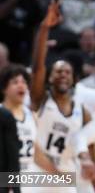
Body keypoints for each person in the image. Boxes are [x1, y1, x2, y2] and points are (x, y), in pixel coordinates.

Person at [29, 1, 95, 192]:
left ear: (74, 79)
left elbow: (86, 144)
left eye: (67, 72)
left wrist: (87, 161)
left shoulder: (82, 112)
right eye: (58, 72)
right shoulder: (40, 99)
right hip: (38, 175)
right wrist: (44, 28)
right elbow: (37, 66)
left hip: (66, 177)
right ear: (49, 77)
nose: (63, 75)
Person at [0, 63, 37, 192]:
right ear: (4, 88)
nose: (21, 85)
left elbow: (37, 152)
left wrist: (59, 175)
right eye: (15, 82)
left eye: (24, 82)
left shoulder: (31, 114)